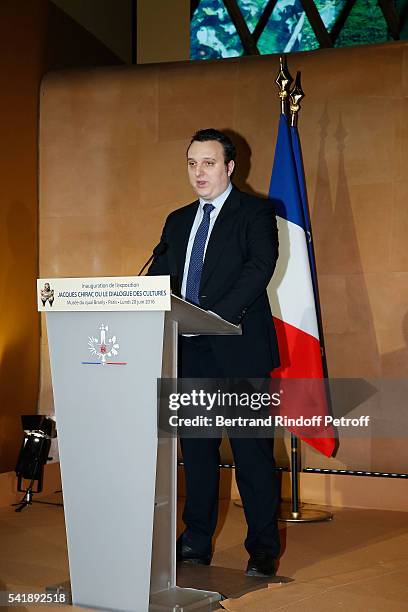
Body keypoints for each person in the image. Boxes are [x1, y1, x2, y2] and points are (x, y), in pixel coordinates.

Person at [148, 128, 280, 577]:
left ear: (229, 167)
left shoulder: (255, 213)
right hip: (188, 353)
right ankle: (196, 540)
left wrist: (214, 318)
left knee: (252, 455)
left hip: (240, 349)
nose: (198, 172)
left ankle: (263, 548)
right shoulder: (177, 220)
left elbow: (259, 268)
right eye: (191, 163)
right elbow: (160, 279)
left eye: (207, 163)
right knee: (198, 456)